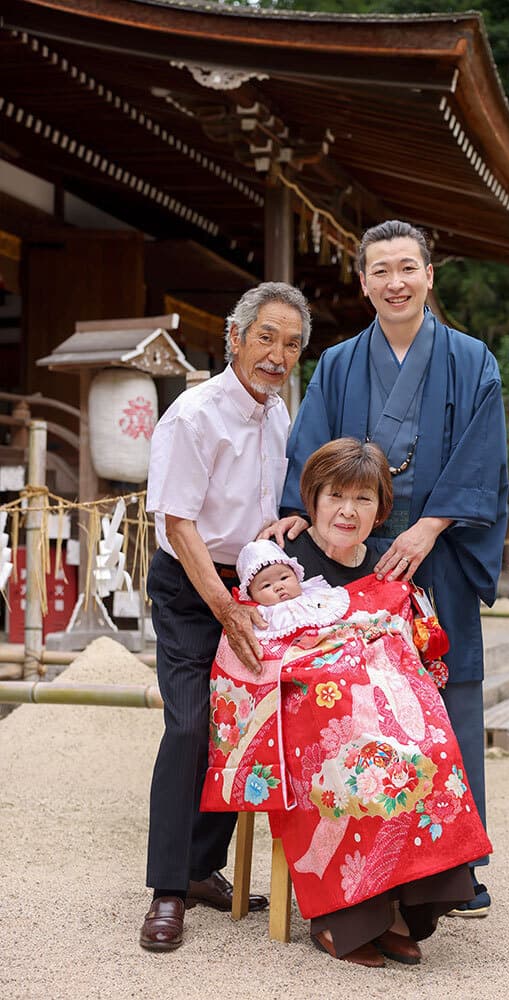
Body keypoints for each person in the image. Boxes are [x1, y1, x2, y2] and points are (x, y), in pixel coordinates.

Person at [275, 220, 509, 917]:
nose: (395, 282)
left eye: (408, 268)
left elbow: (483, 458)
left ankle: (455, 864)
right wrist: (297, 509)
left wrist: (430, 529)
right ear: (364, 281)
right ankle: (369, 859)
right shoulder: (341, 363)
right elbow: (310, 450)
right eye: (381, 271)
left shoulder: (472, 361)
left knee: (448, 694)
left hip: (439, 556)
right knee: (361, 704)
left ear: (429, 275)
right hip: (353, 556)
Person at [218, 439, 491, 968]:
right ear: (311, 499)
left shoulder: (392, 561)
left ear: (382, 508)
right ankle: (345, 914)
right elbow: (251, 635)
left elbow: (420, 641)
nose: (348, 510)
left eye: (364, 499)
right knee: (348, 749)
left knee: (429, 739)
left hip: (382, 698)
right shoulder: (279, 558)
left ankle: (399, 902)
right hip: (304, 705)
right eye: (335, 495)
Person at [139, 281, 312, 952]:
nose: (277, 354)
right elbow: (177, 522)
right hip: (192, 585)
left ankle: (199, 865)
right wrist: (221, 605)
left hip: (251, 585)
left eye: (292, 343)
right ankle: (167, 891)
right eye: (266, 337)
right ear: (235, 338)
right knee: (189, 724)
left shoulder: (277, 413)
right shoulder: (193, 414)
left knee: (249, 726)